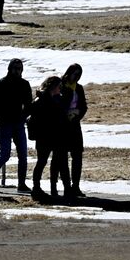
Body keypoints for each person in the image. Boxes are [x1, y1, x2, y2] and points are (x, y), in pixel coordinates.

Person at [0, 58, 34, 193]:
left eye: (19, 68)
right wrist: (1, 119)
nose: (17, 70)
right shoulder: (0, 83)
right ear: (9, 68)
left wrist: (23, 117)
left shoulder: (24, 84)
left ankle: (22, 184)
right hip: (5, 124)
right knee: (5, 154)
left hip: (19, 123)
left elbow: (28, 105)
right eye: (15, 68)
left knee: (23, 155)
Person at [29, 75, 69, 200]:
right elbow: (37, 118)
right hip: (44, 136)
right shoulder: (40, 99)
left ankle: (56, 188)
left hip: (56, 135)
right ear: (53, 86)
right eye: (58, 86)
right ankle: (36, 188)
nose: (60, 89)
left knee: (58, 162)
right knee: (41, 162)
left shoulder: (58, 99)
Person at [61, 63, 89, 199]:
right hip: (63, 126)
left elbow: (84, 106)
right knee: (62, 158)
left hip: (75, 125)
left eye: (79, 75)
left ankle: (75, 185)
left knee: (77, 156)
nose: (76, 77)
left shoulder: (79, 88)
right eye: (75, 74)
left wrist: (77, 114)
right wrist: (67, 112)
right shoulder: (60, 85)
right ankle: (66, 186)